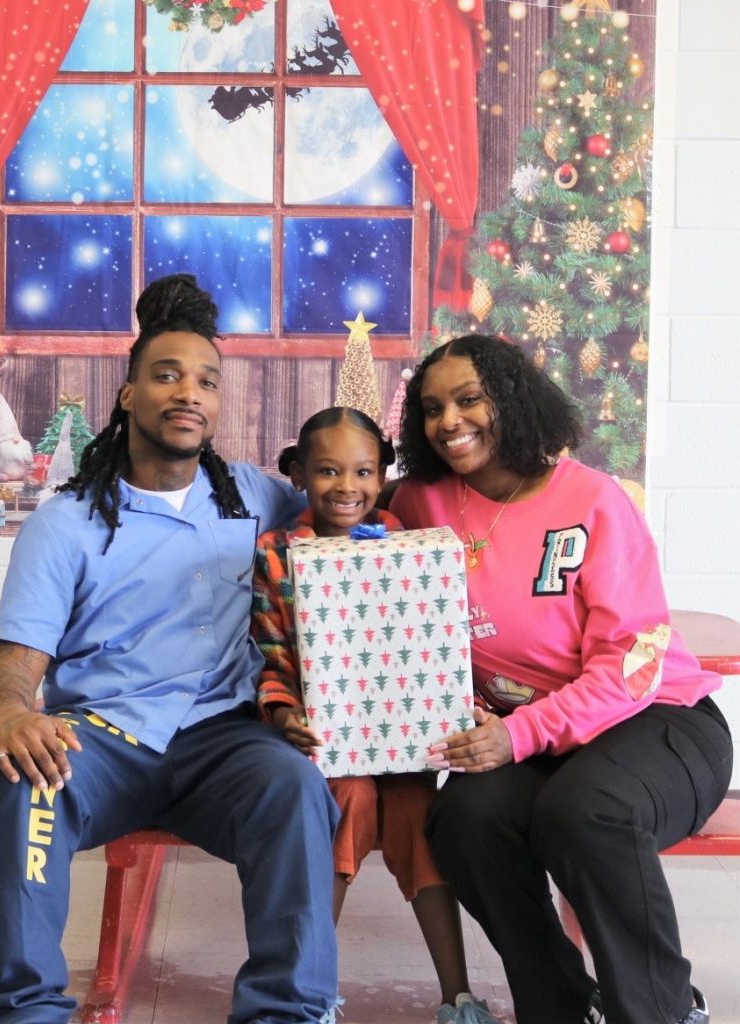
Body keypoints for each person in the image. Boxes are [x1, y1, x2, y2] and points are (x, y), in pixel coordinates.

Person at [0, 274, 341, 1024]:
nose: (188, 394)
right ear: (128, 394)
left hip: (226, 740)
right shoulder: (66, 522)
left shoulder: (256, 496)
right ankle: (24, 1011)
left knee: (295, 787)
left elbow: (353, 516)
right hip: (105, 739)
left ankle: (287, 1012)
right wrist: (13, 717)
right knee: (22, 783)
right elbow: (14, 664)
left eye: (206, 381)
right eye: (166, 375)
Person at [389, 334, 733, 1024]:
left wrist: (517, 735)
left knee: (585, 813)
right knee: (462, 820)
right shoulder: (419, 503)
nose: (448, 421)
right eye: (431, 409)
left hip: (656, 720)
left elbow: (631, 663)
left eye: (467, 399)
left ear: (511, 400)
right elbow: (334, 507)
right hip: (540, 740)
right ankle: (557, 1006)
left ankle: (659, 1010)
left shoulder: (593, 499)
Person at [250, 406, 499, 1024]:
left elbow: (440, 640)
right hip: (326, 743)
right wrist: (284, 716)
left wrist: (453, 702)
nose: (347, 486)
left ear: (383, 473)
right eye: (328, 471)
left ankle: (457, 996)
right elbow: (273, 655)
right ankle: (309, 994)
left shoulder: (403, 538)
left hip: (405, 740)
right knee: (348, 806)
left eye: (363, 471)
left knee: (418, 818)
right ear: (299, 475)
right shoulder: (278, 552)